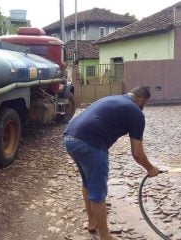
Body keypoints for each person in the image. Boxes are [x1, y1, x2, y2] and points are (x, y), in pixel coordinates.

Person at [63, 86, 160, 240]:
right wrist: (150, 169)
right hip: (90, 144)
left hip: (69, 138)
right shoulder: (136, 113)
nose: (144, 108)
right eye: (145, 104)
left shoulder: (114, 99)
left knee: (88, 183)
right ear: (141, 99)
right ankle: (105, 236)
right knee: (98, 191)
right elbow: (137, 154)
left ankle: (92, 222)